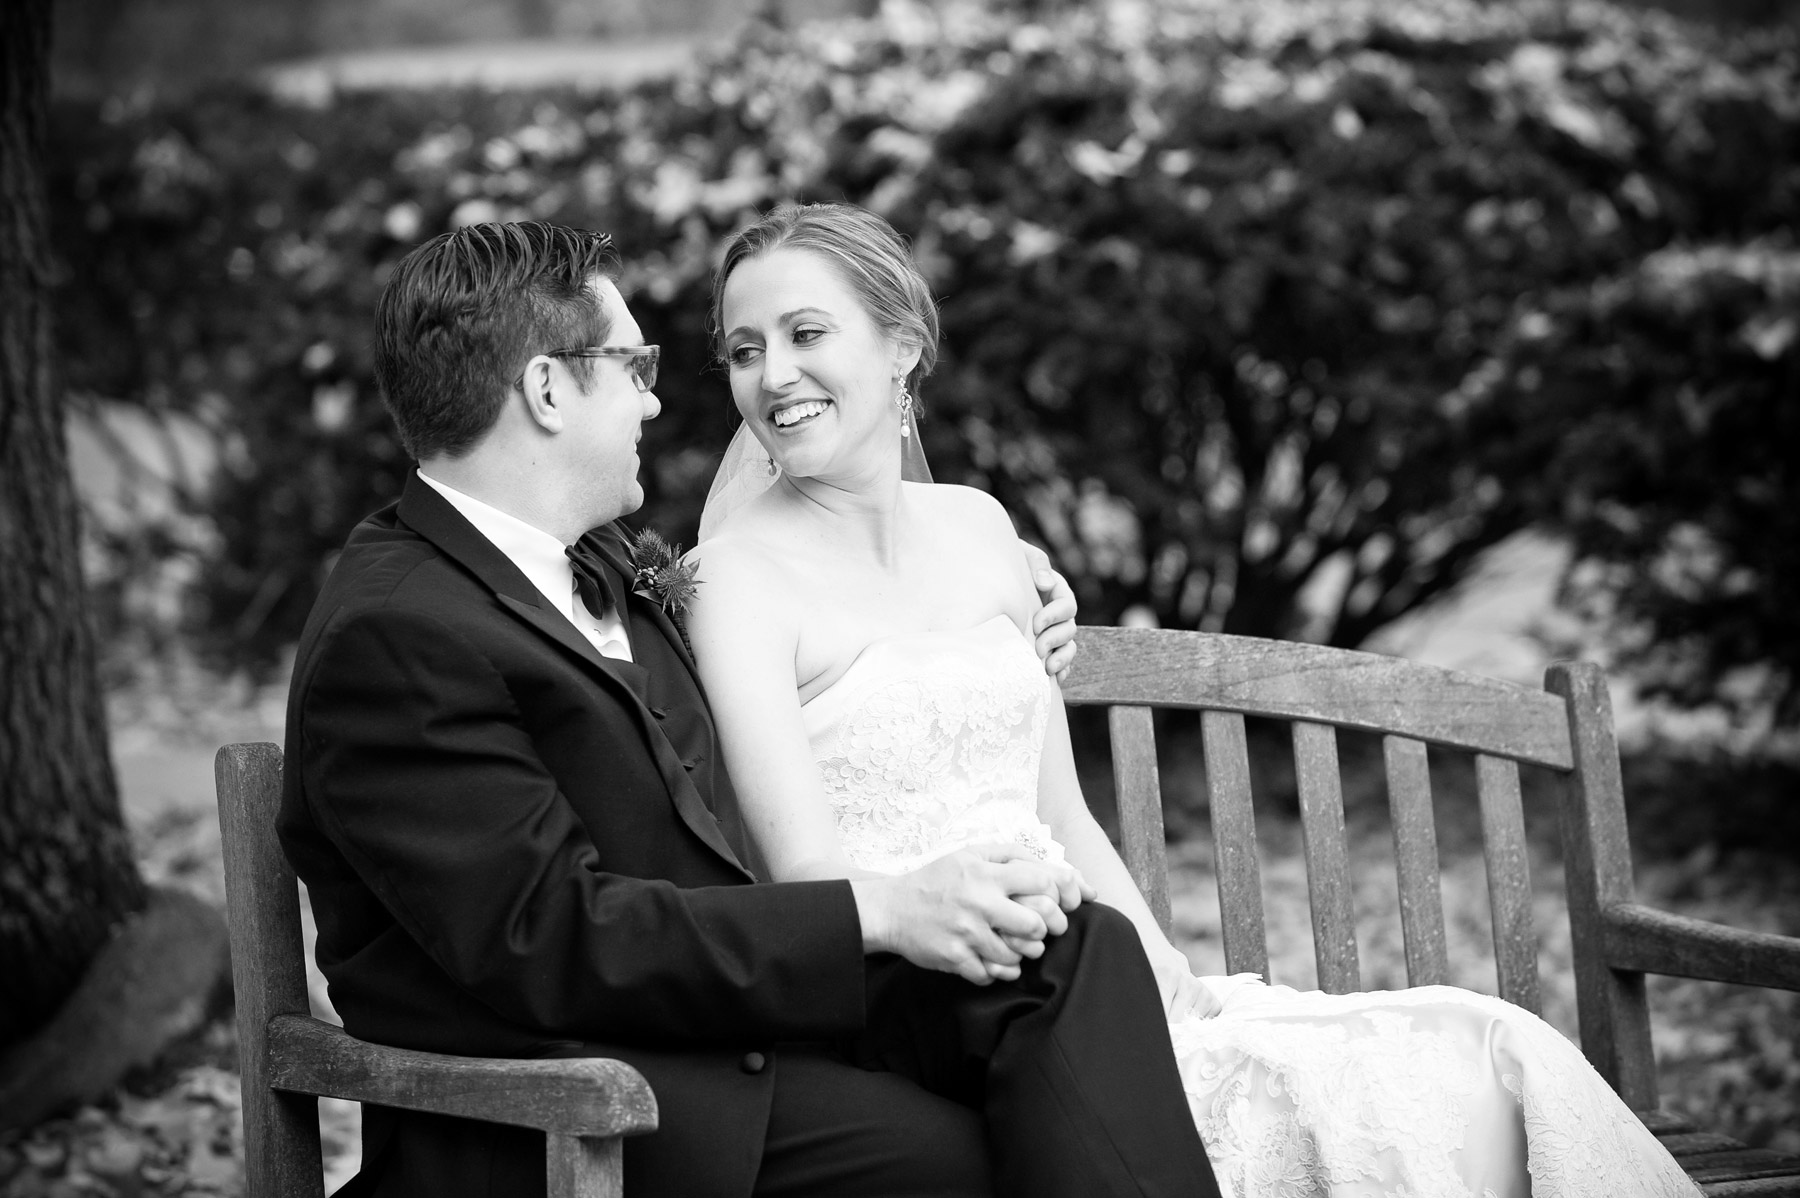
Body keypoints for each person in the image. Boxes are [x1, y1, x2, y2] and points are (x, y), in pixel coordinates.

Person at [685, 201, 1705, 1198]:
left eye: (806, 334)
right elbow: (805, 878)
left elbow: (1058, 815)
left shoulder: (982, 529)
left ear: (902, 347)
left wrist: (1161, 971)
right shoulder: (735, 578)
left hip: (1073, 973)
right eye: (743, 350)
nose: (773, 376)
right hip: (917, 993)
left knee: (1487, 1050)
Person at [278, 219, 1222, 1198]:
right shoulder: (394, 634)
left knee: (1074, 948)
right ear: (548, 391)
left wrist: (1005, 582)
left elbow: (815, 591)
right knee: (980, 1152)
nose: (653, 399)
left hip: (741, 1022)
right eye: (633, 366)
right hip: (587, 1105)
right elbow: (553, 941)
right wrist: (877, 909)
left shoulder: (591, 559)